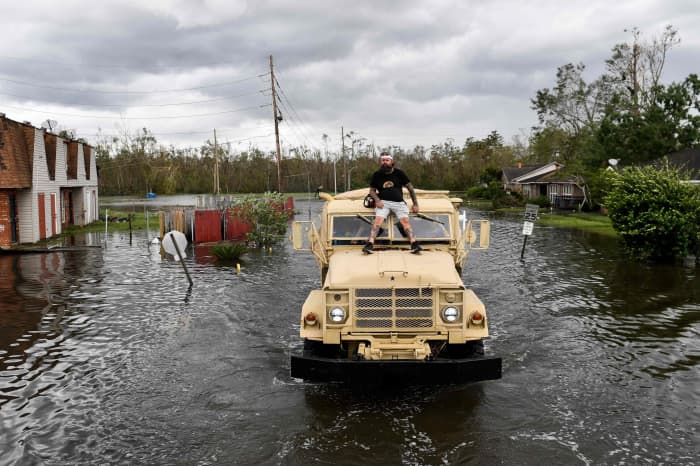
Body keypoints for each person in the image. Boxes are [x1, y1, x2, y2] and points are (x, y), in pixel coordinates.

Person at [363, 152, 422, 254]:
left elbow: (410, 189)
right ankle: (370, 244)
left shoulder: (399, 173)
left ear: (392, 161)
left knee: (405, 222)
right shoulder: (377, 175)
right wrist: (377, 200)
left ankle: (414, 243)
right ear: (380, 162)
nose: (385, 162)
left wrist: (415, 204)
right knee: (378, 221)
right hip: (383, 203)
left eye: (387, 160)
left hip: (399, 203)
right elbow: (372, 191)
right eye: (383, 160)